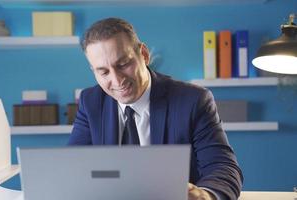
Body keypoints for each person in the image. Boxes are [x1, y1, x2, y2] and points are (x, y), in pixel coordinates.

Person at [68, 17, 243, 200]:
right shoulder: (91, 102)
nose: (117, 80)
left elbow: (223, 167)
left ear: (143, 54)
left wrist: (205, 196)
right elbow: (74, 168)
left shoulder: (192, 100)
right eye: (103, 72)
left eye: (123, 64)